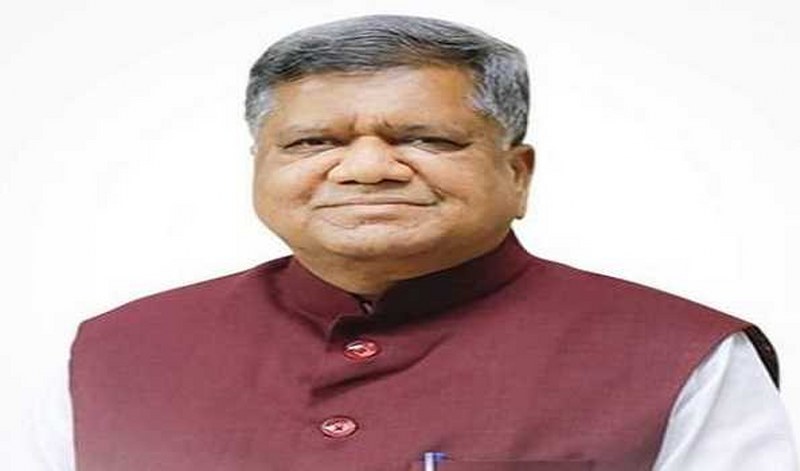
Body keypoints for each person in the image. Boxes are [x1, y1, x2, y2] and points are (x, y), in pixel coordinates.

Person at [45, 14, 797, 471]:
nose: (368, 169)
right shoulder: (115, 352)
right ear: (259, 166)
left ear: (516, 171)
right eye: (313, 142)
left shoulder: (678, 354)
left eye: (425, 138)